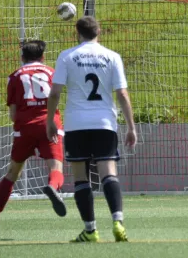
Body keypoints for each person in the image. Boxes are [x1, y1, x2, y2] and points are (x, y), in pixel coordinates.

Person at [46, 15, 137, 243]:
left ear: (77, 33)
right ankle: (118, 222)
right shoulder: (112, 57)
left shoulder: (67, 56)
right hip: (104, 123)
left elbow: (55, 92)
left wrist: (50, 121)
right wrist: (131, 127)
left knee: (80, 178)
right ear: (100, 31)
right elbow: (122, 94)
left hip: (77, 125)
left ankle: (90, 230)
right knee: (108, 173)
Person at [0, 40, 66, 236]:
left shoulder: (14, 77)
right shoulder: (51, 72)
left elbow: (12, 113)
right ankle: (53, 187)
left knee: (12, 173)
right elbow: (55, 96)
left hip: (24, 128)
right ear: (43, 57)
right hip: (49, 124)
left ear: (22, 58)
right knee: (56, 167)